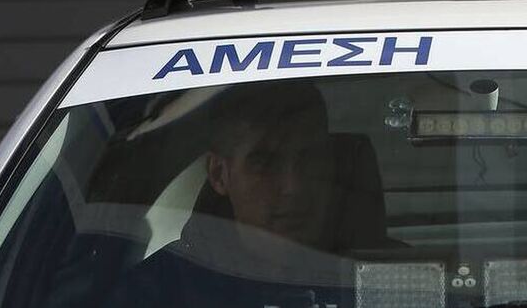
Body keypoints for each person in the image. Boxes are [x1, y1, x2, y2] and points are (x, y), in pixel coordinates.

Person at [104, 81, 352, 308]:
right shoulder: (156, 292)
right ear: (219, 174)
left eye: (311, 159)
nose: (293, 186)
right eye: (265, 163)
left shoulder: (367, 281)